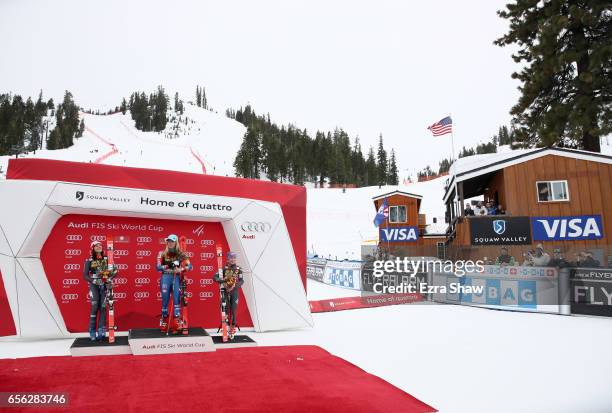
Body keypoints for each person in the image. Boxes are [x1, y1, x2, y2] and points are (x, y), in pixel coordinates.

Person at [156, 234, 191, 333]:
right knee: (165, 300)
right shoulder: (162, 253)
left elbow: (190, 266)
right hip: (166, 277)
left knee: (176, 300)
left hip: (175, 278)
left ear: (176, 243)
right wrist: (169, 265)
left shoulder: (181, 254)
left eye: (172, 241)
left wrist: (181, 269)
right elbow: (158, 267)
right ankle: (164, 321)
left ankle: (176, 322)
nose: (170, 243)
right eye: (168, 241)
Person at [83, 240, 117, 341]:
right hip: (94, 285)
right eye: (96, 246)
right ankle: (92, 331)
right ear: (92, 248)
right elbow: (85, 275)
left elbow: (115, 271)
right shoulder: (89, 260)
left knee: (103, 307)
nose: (99, 247)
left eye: (100, 245)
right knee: (94, 306)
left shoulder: (107, 258)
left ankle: (101, 331)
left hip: (104, 284)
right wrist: (93, 280)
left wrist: (109, 279)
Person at [214, 251, 244, 338]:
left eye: (234, 258)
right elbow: (214, 277)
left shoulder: (238, 269)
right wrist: (224, 281)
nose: (233, 260)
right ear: (227, 259)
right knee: (225, 309)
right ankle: (226, 328)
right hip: (225, 291)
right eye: (231, 258)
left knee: (234, 311)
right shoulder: (223, 269)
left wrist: (235, 286)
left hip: (234, 291)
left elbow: (242, 281)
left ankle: (232, 329)